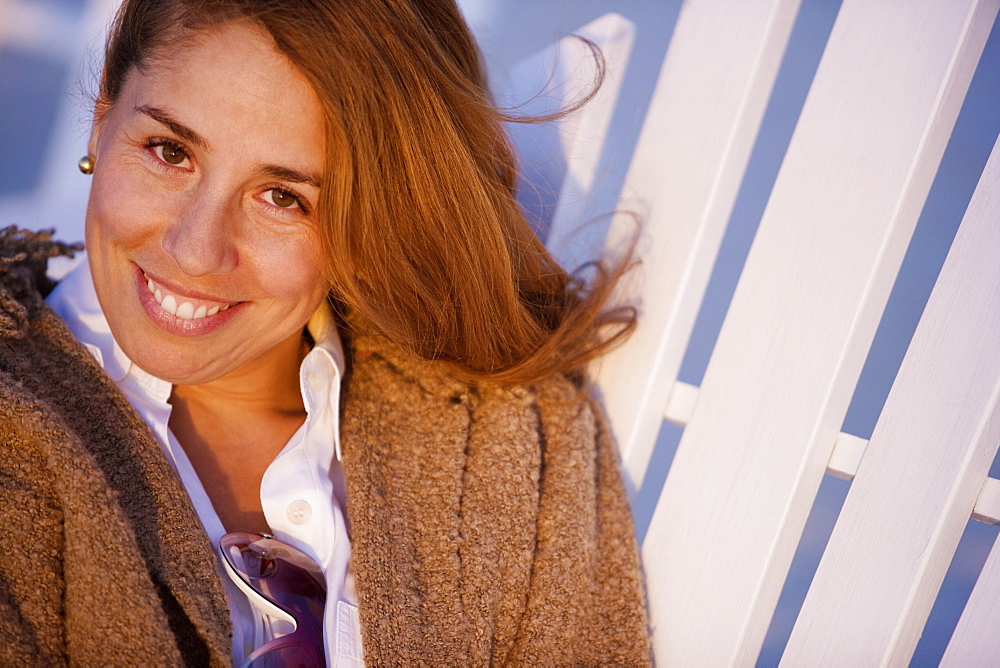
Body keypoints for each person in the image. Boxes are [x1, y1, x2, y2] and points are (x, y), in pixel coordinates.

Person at [0, 0, 650, 664]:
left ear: (373, 219)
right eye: (169, 152)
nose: (195, 250)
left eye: (284, 197)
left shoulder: (499, 435)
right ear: (103, 116)